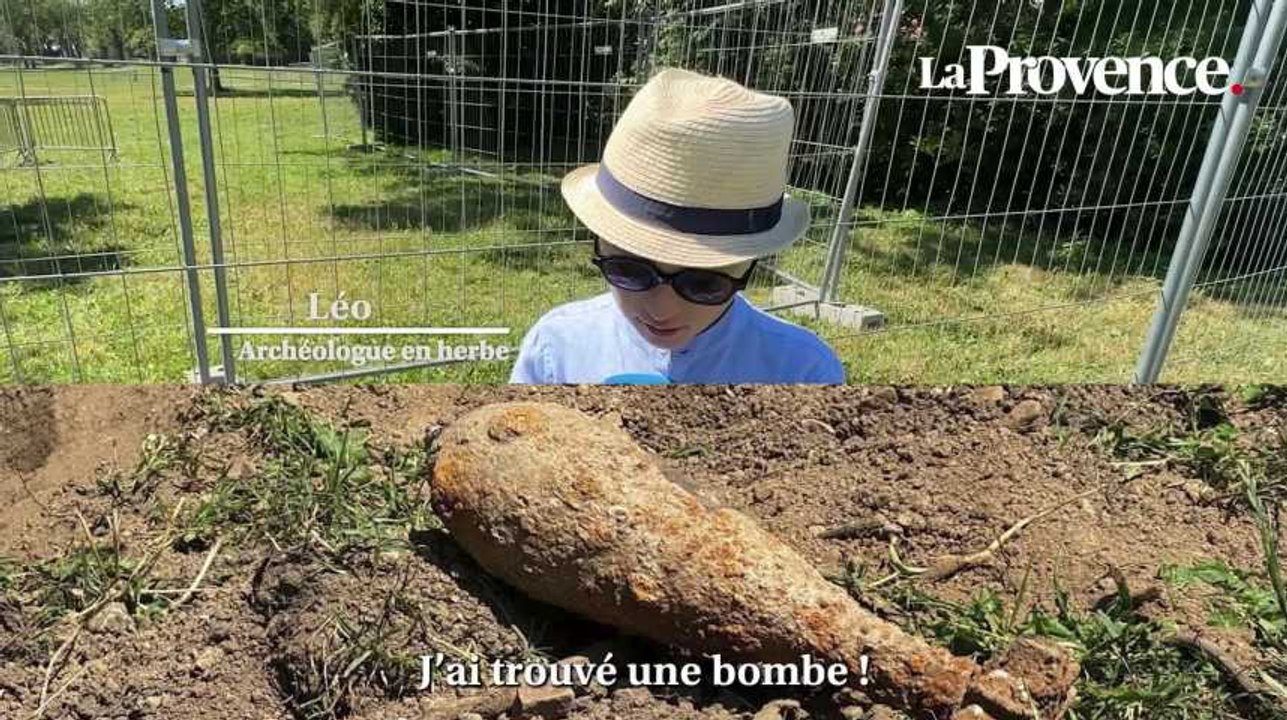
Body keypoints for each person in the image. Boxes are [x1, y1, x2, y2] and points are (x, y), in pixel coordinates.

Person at [509, 68, 845, 384]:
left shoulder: (803, 370)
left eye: (704, 283)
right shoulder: (557, 350)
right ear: (598, 243)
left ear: (751, 265)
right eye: (629, 270)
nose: (661, 309)